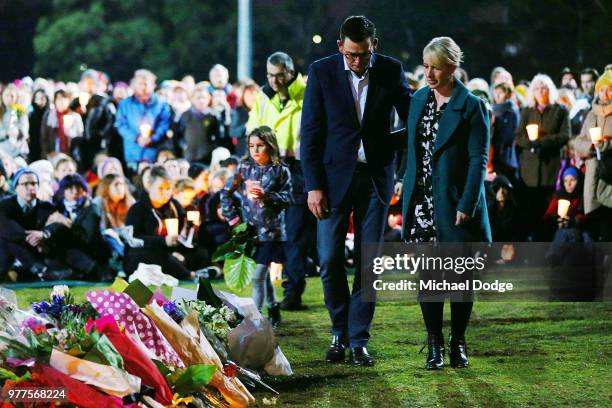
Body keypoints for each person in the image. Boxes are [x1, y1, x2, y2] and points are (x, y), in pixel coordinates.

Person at [301, 15, 411, 366]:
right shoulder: (321, 72)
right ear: (340, 48)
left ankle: (358, 338)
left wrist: (389, 150)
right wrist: (313, 186)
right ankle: (338, 330)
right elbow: (311, 134)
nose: (357, 62)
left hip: (376, 178)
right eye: (351, 55)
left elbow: (413, 120)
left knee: (369, 262)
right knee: (330, 258)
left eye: (363, 54)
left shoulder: (391, 70)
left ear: (373, 46)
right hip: (332, 182)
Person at [401, 37, 491, 370]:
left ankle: (458, 342)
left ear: (452, 67)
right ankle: (434, 344)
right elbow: (412, 147)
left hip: (455, 204)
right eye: (426, 66)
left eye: (435, 67)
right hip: (422, 203)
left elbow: (477, 159)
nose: (429, 73)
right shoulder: (419, 99)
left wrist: (467, 203)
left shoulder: (472, 105)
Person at [246, 51, 314, 311]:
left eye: (279, 75)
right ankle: (273, 292)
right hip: (269, 167)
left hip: (298, 168)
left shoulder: (307, 94)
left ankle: (293, 292)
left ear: (290, 71)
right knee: (271, 230)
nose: (274, 80)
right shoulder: (263, 98)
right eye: (269, 75)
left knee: (296, 233)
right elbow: (253, 129)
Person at [221, 126, 292, 327]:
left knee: (259, 275)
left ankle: (256, 319)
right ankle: (274, 308)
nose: (255, 150)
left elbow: (289, 198)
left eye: (260, 145)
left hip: (273, 232)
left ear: (270, 146)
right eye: (251, 146)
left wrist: (267, 196)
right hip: (250, 232)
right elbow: (225, 192)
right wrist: (233, 219)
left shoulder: (280, 170)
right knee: (262, 275)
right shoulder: (244, 168)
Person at [515, 74, 571, 240]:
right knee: (531, 211)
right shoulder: (527, 111)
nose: (540, 91)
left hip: (551, 169)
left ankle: (548, 245)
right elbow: (518, 137)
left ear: (550, 89)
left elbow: (565, 135)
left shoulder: (560, 111)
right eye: (537, 88)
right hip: (530, 171)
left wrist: (543, 142)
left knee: (549, 211)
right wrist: (531, 143)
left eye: (544, 87)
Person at [124, 165, 195, 280]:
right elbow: (133, 239)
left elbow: (183, 233)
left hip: (170, 253)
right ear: (149, 186)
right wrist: (163, 241)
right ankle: (188, 274)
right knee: (155, 254)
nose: (165, 193)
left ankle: (182, 266)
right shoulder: (137, 209)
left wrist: (178, 243)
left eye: (168, 188)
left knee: (200, 252)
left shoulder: (175, 207)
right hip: (143, 254)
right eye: (160, 188)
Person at [0, 168, 71, 281]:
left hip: (41, 252)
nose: (30, 187)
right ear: (16, 187)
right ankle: (41, 270)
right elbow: (5, 228)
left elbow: (61, 224)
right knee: (5, 236)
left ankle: (40, 269)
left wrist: (43, 234)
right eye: (25, 184)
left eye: (33, 183)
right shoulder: (4, 205)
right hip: (13, 254)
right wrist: (32, 238)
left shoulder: (47, 207)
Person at [574, 69, 612, 241]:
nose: (605, 93)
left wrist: (606, 144)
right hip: (593, 172)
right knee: (594, 222)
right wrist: (590, 146)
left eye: (609, 89)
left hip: (609, 175)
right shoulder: (591, 114)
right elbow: (579, 141)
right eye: (602, 89)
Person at [115, 69, 171, 174]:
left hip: (153, 152)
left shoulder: (161, 104)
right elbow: (120, 125)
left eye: (146, 84)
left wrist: (153, 138)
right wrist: (136, 138)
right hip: (133, 153)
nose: (143, 87)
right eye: (140, 84)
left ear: (153, 85)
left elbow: (164, 124)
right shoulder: (125, 104)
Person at [178, 85, 221, 162]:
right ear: (192, 99)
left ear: (208, 99)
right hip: (189, 157)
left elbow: (218, 137)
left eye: (203, 97)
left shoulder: (213, 116)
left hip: (207, 158)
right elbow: (178, 135)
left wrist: (210, 147)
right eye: (198, 98)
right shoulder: (185, 115)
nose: (201, 101)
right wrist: (184, 145)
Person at [40, 90, 84, 159]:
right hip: (53, 154)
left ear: (68, 101)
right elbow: (44, 137)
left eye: (64, 99)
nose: (62, 102)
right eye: (59, 99)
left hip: (71, 153)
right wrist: (47, 153)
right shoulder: (49, 115)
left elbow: (80, 135)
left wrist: (69, 132)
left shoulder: (75, 116)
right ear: (55, 101)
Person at [491, 82, 519, 184]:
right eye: (496, 92)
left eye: (501, 92)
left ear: (508, 94)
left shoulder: (512, 112)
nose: (497, 95)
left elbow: (511, 135)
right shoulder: (491, 110)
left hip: (507, 157)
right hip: (493, 156)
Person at [0, 83, 29, 158]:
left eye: (12, 96)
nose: (9, 98)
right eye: (7, 95)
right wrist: (6, 133)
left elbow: (25, 129)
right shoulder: (1, 111)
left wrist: (19, 131)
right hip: (2, 150)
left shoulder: (20, 111)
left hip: (19, 149)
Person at [28, 89, 49, 161]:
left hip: (46, 147)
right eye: (37, 98)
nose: (40, 100)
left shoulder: (50, 113)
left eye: (42, 98)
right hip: (33, 147)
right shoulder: (31, 114)